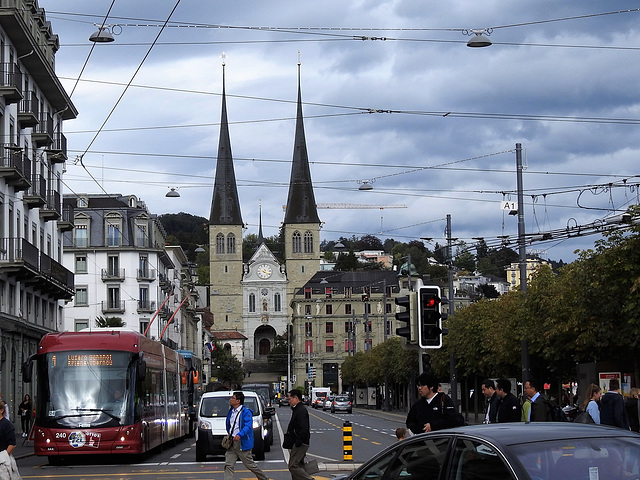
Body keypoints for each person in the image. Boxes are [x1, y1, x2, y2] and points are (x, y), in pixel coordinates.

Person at [224, 392, 269, 480]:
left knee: (250, 464)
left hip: (242, 442)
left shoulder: (246, 412)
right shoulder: (231, 411)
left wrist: (240, 435)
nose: (230, 399)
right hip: (232, 442)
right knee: (228, 464)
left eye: (232, 398)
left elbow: (248, 426)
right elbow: (229, 424)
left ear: (238, 401)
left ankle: (263, 478)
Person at [285, 389, 314, 480]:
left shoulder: (300, 410)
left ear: (296, 398)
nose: (289, 401)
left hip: (300, 443)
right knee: (299, 465)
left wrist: (298, 442)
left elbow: (303, 428)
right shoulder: (297, 409)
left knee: (293, 466)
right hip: (298, 441)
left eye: (290, 399)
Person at [0, 400, 18, 480]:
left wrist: (3, 457)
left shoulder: (6, 425)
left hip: (3, 461)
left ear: (1, 410)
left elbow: (12, 443)